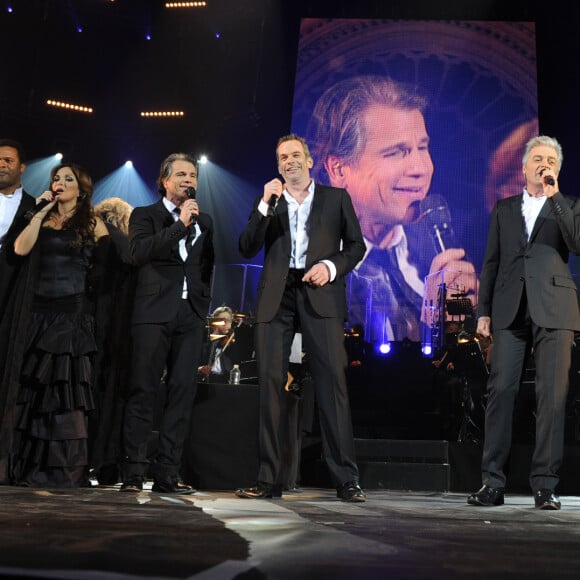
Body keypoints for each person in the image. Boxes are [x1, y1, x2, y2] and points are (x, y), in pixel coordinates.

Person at [236, 134, 366, 502]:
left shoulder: (336, 198)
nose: (288, 161)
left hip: (319, 292)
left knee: (332, 385)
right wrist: (263, 204)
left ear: (310, 161)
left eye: (295, 155)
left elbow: (356, 246)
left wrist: (330, 266)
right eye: (282, 157)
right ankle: (268, 478)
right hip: (277, 298)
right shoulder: (270, 203)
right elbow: (245, 245)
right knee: (271, 386)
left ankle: (346, 479)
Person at [307, 75, 478, 344]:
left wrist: (462, 328)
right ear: (338, 169)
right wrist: (430, 320)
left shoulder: (438, 247)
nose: (421, 169)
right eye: (396, 152)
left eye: (422, 147)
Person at [467, 135, 580, 510]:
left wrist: (556, 197)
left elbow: (576, 242)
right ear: (525, 166)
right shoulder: (503, 208)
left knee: (552, 397)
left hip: (555, 308)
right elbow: (491, 262)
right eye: (537, 159)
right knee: (500, 392)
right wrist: (483, 310)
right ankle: (492, 483)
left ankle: (545, 485)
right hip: (509, 309)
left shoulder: (569, 205)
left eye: (550, 160)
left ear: (556, 169)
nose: (543, 164)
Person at [0, 162, 109, 487]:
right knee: (32, 391)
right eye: (56, 178)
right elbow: (19, 249)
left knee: (62, 392)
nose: (60, 183)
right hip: (37, 313)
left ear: (82, 187)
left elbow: (107, 258)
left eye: (68, 179)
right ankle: (26, 467)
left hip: (71, 314)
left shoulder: (91, 221)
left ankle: (62, 470)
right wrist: (38, 211)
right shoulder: (42, 216)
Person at [120, 152, 214, 494]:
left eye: (193, 175)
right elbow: (139, 253)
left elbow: (207, 265)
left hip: (190, 316)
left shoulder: (206, 220)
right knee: (143, 389)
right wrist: (179, 226)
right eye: (182, 175)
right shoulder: (146, 215)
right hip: (153, 314)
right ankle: (132, 471)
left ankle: (167, 473)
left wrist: (202, 303)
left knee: (181, 393)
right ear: (164, 180)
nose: (189, 181)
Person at [90, 197, 135, 485]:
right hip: (117, 326)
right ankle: (107, 462)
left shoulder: (99, 240)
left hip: (90, 319)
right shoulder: (124, 243)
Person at [0, 138, 35, 315]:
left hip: (10, 284)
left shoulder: (34, 207)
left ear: (22, 167)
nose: (1, 165)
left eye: (8, 160)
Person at [197, 305, 235, 383]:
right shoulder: (202, 341)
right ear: (215, 322)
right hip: (203, 380)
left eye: (229, 320)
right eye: (223, 320)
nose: (227, 323)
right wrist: (199, 369)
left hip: (225, 382)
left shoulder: (232, 342)